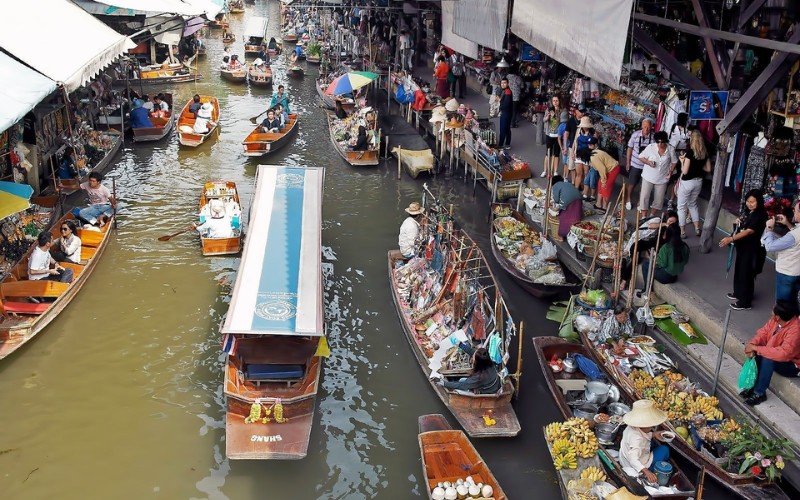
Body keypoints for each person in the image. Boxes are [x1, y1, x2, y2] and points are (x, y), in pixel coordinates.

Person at [741, 301, 800, 406]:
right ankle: (752, 386)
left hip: (792, 365)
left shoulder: (795, 331)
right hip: (776, 353)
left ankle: (759, 393)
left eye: (772, 311)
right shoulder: (776, 321)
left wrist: (757, 348)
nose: (770, 312)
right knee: (758, 353)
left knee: (768, 359)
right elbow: (763, 333)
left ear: (777, 317)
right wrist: (752, 345)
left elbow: (783, 354)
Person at [719, 189, 768, 311]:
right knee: (740, 270)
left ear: (759, 202)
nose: (750, 204)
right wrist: (738, 222)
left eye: (753, 202)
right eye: (748, 201)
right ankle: (739, 293)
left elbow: (749, 231)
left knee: (746, 273)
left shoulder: (760, 215)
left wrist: (731, 238)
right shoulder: (749, 212)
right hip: (743, 247)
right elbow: (744, 226)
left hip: (752, 249)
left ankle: (745, 302)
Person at [619, 399, 671, 484]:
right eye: (651, 425)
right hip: (634, 465)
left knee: (653, 443)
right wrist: (647, 472)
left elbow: (643, 435)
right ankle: (656, 469)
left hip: (625, 457)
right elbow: (633, 460)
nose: (652, 426)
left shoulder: (631, 427)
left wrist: (654, 434)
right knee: (664, 450)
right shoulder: (637, 439)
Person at [761, 201, 800, 303]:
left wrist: (769, 229)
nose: (793, 212)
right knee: (792, 302)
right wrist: (787, 223)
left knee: (782, 305)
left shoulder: (793, 236)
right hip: (797, 272)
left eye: (795, 211)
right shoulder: (796, 231)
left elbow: (770, 247)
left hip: (787, 273)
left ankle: (782, 318)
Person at [677, 130, 711, 238]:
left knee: (681, 207)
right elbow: (708, 168)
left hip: (687, 182)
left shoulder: (690, 153)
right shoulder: (704, 152)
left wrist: (682, 161)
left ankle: (682, 231)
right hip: (698, 181)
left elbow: (685, 171)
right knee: (692, 204)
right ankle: (697, 228)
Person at [637, 131, 677, 218]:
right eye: (658, 142)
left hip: (662, 178)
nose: (660, 144)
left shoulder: (670, 149)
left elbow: (674, 161)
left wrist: (671, 171)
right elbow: (640, 157)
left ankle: (652, 215)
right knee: (644, 197)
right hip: (648, 176)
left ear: (665, 141)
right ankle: (644, 217)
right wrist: (648, 162)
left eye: (662, 142)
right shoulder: (650, 147)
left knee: (659, 199)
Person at [626, 118, 655, 211]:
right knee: (632, 183)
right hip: (635, 164)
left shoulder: (653, 138)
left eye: (648, 127)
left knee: (643, 186)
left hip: (647, 166)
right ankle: (628, 199)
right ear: (642, 126)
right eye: (645, 127)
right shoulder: (635, 135)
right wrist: (628, 162)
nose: (646, 129)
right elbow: (629, 148)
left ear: (651, 127)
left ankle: (640, 202)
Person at [586, 137, 620, 211]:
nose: (589, 146)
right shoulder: (594, 152)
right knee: (600, 184)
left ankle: (604, 207)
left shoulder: (594, 156)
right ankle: (598, 204)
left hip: (613, 169)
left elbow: (602, 169)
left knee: (605, 187)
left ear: (595, 145)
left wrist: (604, 181)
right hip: (608, 169)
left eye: (591, 145)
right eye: (588, 145)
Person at [550, 175, 582, 241]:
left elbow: (556, 199)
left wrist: (556, 205)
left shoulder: (556, 185)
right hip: (578, 198)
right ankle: (575, 232)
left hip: (567, 201)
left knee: (564, 217)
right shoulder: (567, 184)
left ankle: (562, 236)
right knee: (575, 214)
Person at [571, 117, 594, 195]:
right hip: (579, 154)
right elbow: (575, 141)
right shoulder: (579, 131)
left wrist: (591, 147)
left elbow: (595, 145)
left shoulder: (593, 133)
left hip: (587, 155)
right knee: (579, 174)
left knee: (586, 174)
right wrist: (572, 152)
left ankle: (585, 192)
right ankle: (575, 191)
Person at [543, 95, 562, 178]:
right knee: (548, 154)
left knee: (556, 154)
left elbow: (564, 121)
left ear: (559, 101)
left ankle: (555, 171)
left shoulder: (562, 111)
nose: (555, 102)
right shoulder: (548, 110)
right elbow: (544, 120)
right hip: (549, 134)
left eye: (557, 100)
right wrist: (548, 117)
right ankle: (545, 170)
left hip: (558, 135)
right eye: (554, 100)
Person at [497, 78, 513, 150]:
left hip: (506, 112)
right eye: (502, 83)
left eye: (504, 83)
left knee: (503, 129)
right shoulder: (506, 91)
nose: (503, 84)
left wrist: (499, 100)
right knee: (507, 129)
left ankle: (500, 145)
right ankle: (507, 144)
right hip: (508, 112)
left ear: (508, 84)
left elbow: (506, 104)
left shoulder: (507, 92)